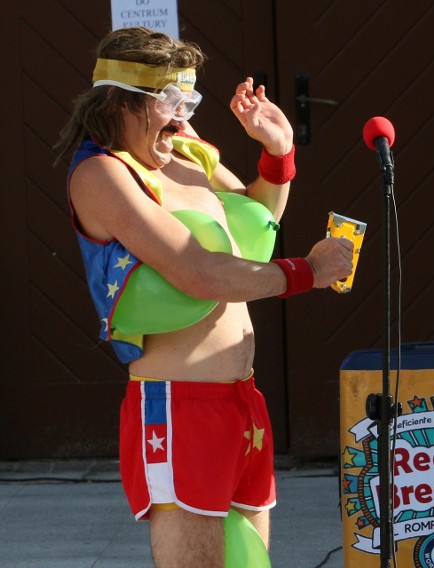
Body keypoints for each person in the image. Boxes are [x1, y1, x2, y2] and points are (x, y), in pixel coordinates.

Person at [55, 27, 353, 567]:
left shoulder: (190, 153)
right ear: (120, 101)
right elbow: (200, 271)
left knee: (250, 562)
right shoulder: (103, 173)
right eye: (170, 102)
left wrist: (277, 152)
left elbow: (255, 226)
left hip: (241, 399)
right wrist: (306, 273)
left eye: (189, 100)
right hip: (177, 404)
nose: (182, 117)